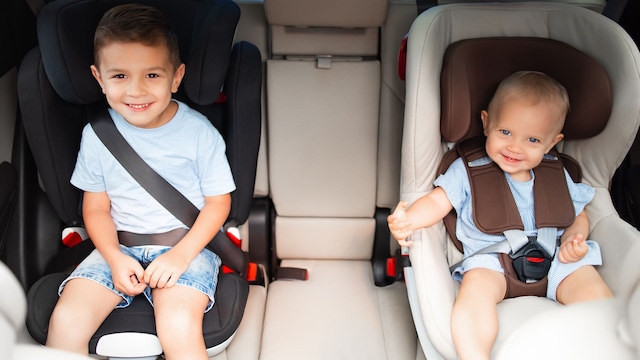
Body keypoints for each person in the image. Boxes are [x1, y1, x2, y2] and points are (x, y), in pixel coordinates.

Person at [45, 4, 235, 360]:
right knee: (67, 319)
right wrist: (114, 257)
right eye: (119, 76)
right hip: (118, 248)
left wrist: (180, 256)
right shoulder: (96, 136)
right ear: (98, 78)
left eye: (152, 75)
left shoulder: (198, 134)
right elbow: (97, 207)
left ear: (176, 78)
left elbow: (218, 203)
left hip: (184, 248)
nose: (136, 91)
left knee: (178, 324)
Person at [388, 71, 613, 360]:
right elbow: (436, 202)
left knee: (592, 288)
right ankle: (474, 355)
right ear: (486, 123)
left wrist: (574, 240)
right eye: (505, 132)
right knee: (474, 295)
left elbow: (576, 215)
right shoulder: (467, 170)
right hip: (491, 260)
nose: (514, 147)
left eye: (532, 139)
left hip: (556, 259)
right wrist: (408, 220)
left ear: (551, 143)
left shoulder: (557, 173)